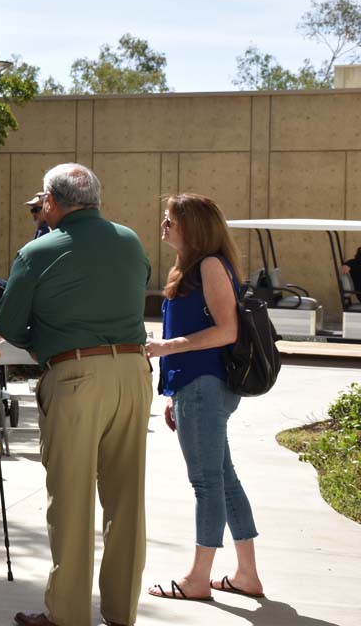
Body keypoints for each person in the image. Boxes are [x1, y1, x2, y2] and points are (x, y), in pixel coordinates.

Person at [0, 163, 152, 626]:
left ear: (51, 201)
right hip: (134, 371)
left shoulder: (38, 251)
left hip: (76, 375)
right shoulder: (130, 240)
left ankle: (67, 614)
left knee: (71, 498)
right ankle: (121, 611)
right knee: (127, 499)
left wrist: (46, 342)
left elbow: (9, 324)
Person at [145, 194, 264, 602]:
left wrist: (166, 348)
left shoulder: (210, 265)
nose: (163, 226)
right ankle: (246, 574)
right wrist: (174, 392)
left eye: (170, 221)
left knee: (206, 483)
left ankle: (198, 579)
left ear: (192, 228)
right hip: (196, 387)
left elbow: (227, 331)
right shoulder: (192, 266)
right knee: (224, 480)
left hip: (205, 387)